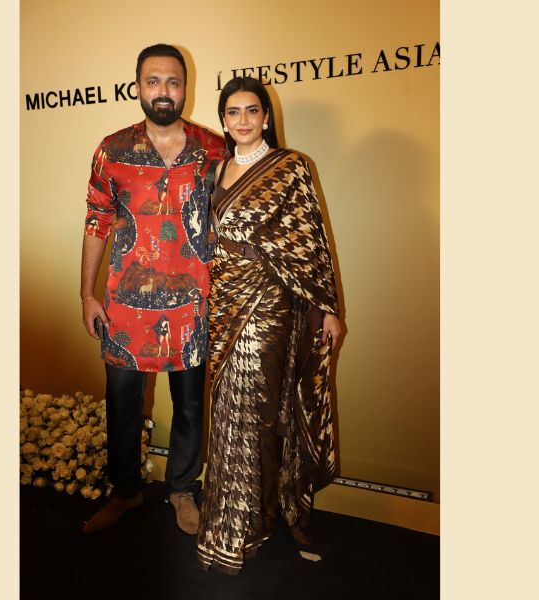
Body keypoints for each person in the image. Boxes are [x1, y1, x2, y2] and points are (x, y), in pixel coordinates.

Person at [196, 76, 342, 575]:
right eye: (233, 112)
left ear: (265, 116)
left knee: (259, 409)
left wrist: (327, 307)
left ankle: (254, 521)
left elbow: (311, 242)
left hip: (269, 303)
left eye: (251, 111)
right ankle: (226, 517)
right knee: (225, 409)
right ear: (223, 120)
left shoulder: (291, 167)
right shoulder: (216, 169)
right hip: (223, 302)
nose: (242, 120)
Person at [80, 43, 226, 535]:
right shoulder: (112, 150)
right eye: (154, 81)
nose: (164, 90)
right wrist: (86, 294)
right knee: (122, 406)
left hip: (193, 305)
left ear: (186, 88)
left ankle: (182, 490)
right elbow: (97, 221)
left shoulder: (214, 150)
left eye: (173, 81)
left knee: (190, 405)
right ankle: (126, 491)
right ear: (138, 87)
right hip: (124, 306)